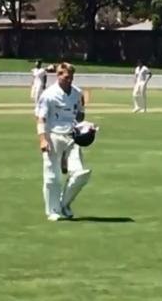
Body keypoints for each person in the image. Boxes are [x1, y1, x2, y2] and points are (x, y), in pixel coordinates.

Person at [35, 62, 95, 221]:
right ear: (58, 76)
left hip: (71, 138)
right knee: (52, 177)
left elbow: (80, 115)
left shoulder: (77, 93)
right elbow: (40, 118)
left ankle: (64, 203)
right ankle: (52, 210)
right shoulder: (48, 94)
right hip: (53, 137)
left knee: (80, 174)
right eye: (67, 77)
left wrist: (86, 128)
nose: (70, 80)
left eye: (72, 77)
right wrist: (42, 140)